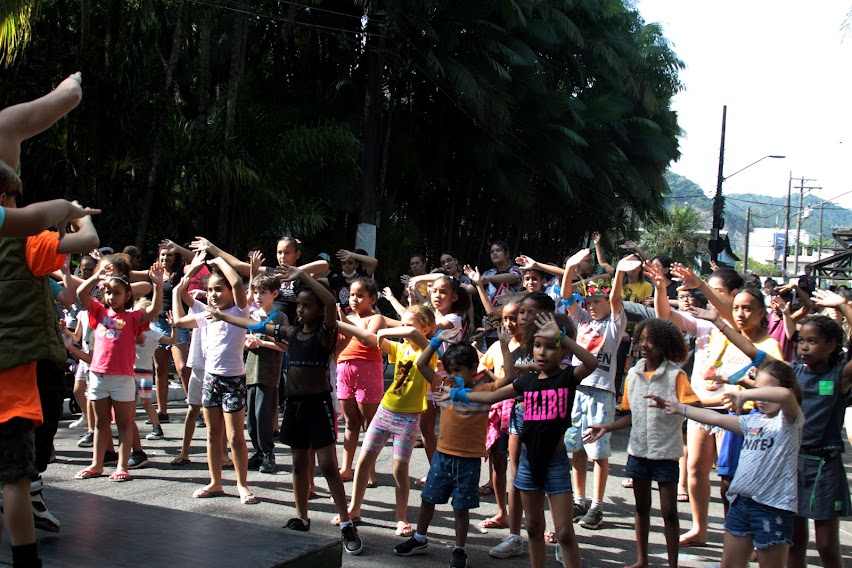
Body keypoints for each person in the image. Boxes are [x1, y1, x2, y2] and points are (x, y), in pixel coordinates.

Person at [211, 265, 363, 555]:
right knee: (298, 464)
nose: (301, 310)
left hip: (318, 405)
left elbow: (330, 301)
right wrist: (223, 316)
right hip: (294, 407)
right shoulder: (291, 332)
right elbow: (253, 326)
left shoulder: (326, 334)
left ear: (319, 311)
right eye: (300, 306)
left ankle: (346, 523)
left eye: (308, 306)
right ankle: (301, 517)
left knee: (328, 466)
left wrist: (302, 276)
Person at [438, 312, 598, 568]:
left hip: (555, 463)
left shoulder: (567, 378)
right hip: (527, 464)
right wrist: (456, 393)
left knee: (565, 533)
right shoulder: (528, 381)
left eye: (551, 346)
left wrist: (563, 337)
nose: (542, 352)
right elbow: (491, 397)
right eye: (537, 345)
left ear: (563, 349)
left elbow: (591, 362)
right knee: (534, 528)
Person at [655, 360, 804, 568]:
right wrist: (679, 408)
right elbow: (714, 418)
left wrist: (747, 394)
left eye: (766, 391)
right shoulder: (752, 421)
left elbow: (787, 396)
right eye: (758, 388)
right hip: (741, 504)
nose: (760, 396)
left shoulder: (789, 422)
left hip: (773, 508)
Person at [585, 318, 699, 568]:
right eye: (641, 340)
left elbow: (692, 406)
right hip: (638, 452)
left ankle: (673, 564)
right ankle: (642, 560)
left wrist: (677, 407)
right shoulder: (633, 375)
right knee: (641, 509)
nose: (644, 345)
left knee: (669, 513)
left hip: (666, 453)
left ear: (665, 345)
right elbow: (630, 416)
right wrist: (607, 426)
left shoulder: (675, 376)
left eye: (651, 341)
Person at [393, 333, 502, 568]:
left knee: (461, 508)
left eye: (458, 370)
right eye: (449, 370)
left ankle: (459, 549)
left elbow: (510, 379)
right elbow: (421, 363)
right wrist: (434, 341)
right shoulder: (443, 385)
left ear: (473, 369)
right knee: (428, 500)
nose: (452, 376)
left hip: (469, 461)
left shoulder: (485, 391)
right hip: (442, 457)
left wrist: (500, 347)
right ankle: (420, 538)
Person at [333, 304, 437, 537]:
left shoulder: (429, 352)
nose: (404, 328)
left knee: (400, 469)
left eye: (409, 323)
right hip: (385, 411)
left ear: (428, 328)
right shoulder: (400, 350)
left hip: (409, 418)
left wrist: (384, 330)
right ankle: (354, 508)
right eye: (403, 323)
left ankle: (401, 518)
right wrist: (335, 322)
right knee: (364, 461)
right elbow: (367, 337)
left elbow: (410, 334)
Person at [73, 262, 163, 481]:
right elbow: (80, 293)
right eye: (108, 292)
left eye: (117, 293)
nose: (112, 297)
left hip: (123, 378)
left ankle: (122, 466)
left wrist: (158, 286)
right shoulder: (98, 312)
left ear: (127, 295)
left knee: (124, 423)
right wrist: (96, 278)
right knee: (100, 423)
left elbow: (153, 310)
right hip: (98, 375)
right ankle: (97, 464)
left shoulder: (132, 318)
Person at [560, 251, 630, 529]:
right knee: (576, 445)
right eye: (588, 302)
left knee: (598, 451)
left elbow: (615, 300)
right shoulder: (582, 322)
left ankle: (598, 505)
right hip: (578, 389)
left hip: (601, 392)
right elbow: (567, 297)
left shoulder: (614, 325)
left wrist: (620, 271)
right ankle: (580, 499)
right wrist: (569, 267)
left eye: (596, 301)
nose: (591, 306)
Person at [183, 253, 256, 504]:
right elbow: (183, 295)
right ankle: (215, 482)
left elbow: (237, 283)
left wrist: (217, 258)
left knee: (235, 437)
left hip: (233, 380)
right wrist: (193, 269)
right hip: (211, 379)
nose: (213, 294)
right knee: (214, 434)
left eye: (218, 289)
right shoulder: (206, 314)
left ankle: (242, 484)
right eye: (210, 290)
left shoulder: (239, 310)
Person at [336, 277, 387, 482]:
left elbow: (367, 337)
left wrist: (344, 322)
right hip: (344, 368)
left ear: (372, 299)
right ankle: (346, 468)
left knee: (370, 424)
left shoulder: (375, 318)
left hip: (368, 369)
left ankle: (369, 470)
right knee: (350, 422)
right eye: (351, 295)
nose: (354, 299)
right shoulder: (346, 317)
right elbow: (338, 345)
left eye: (360, 295)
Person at [244, 271, 288, 474]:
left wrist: (262, 342)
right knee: (251, 420)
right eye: (255, 292)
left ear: (274, 294)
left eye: (263, 292)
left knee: (263, 416)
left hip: (269, 374)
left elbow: (285, 346)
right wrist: (247, 343)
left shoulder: (280, 317)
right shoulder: (250, 316)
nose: (258, 297)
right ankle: (258, 452)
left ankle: (268, 453)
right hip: (250, 373)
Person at [150, 242, 190, 424]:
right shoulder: (153, 273)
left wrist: (178, 248)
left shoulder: (181, 273)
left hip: (177, 323)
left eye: (170, 255)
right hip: (158, 323)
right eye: (163, 255)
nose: (166, 258)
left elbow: (196, 261)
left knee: (183, 368)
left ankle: (194, 407)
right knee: (160, 369)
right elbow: (127, 273)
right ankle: (162, 412)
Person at [132, 301, 178, 445]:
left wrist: (174, 326)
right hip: (130, 372)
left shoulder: (153, 334)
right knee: (130, 404)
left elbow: (172, 340)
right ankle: (128, 429)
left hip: (145, 372)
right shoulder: (130, 330)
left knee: (146, 401)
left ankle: (157, 428)